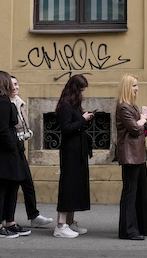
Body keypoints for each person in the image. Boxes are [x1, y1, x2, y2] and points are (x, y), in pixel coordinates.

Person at [0, 71, 30, 239]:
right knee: (1, 189)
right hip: (3, 153)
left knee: (10, 187)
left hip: (0, 151)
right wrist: (13, 147)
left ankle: (9, 222)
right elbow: (3, 129)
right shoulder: (2, 102)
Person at [115, 73, 147, 240]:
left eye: (137, 85)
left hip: (138, 154)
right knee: (130, 192)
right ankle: (128, 230)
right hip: (130, 155)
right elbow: (135, 128)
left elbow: (143, 125)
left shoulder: (131, 106)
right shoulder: (123, 107)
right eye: (134, 86)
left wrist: (143, 120)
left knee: (141, 190)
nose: (137, 88)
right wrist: (142, 120)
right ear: (126, 87)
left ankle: (143, 226)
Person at [11, 75, 55, 229]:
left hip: (19, 147)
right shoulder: (7, 104)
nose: (16, 87)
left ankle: (33, 215)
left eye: (17, 84)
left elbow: (24, 124)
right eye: (12, 85)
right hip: (11, 148)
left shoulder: (19, 102)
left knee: (27, 183)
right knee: (12, 185)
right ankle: (6, 218)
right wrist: (22, 135)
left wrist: (27, 133)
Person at [54, 74, 93, 239]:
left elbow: (76, 125)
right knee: (68, 186)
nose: (82, 94)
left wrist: (86, 119)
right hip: (70, 152)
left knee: (76, 186)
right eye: (81, 90)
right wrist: (83, 120)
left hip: (78, 151)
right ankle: (60, 225)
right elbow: (67, 129)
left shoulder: (74, 106)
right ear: (74, 90)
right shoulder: (65, 106)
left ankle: (69, 222)